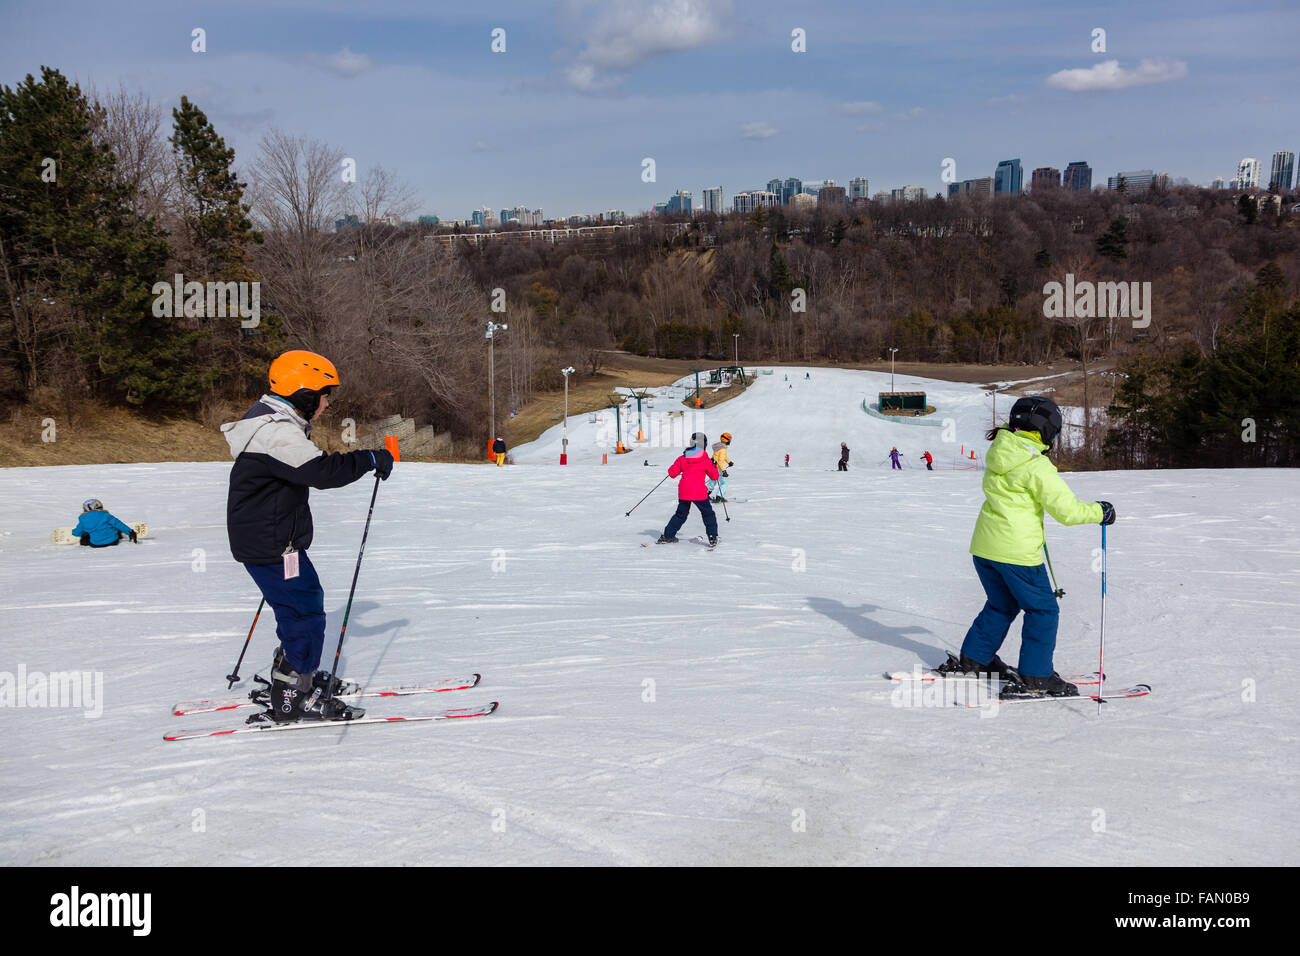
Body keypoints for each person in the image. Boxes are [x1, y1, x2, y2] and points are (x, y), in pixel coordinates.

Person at [222, 349, 394, 723]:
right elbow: (321, 472)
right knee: (304, 614)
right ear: (303, 393)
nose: (327, 403)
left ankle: (298, 677)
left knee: (301, 606)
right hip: (270, 542)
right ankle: (293, 696)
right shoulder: (276, 433)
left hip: (270, 538)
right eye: (324, 394)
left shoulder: (272, 423)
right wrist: (368, 459)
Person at [938, 396, 1115, 698]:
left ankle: (975, 660)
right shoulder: (1036, 465)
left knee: (1002, 605)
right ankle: (1036, 677)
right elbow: (1067, 512)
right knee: (1043, 610)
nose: (1055, 438)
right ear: (1045, 430)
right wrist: (1100, 511)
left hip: (985, 548)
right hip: (1016, 554)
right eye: (1055, 432)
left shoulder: (1000, 452)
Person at [657, 432, 720, 547]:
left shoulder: (683, 458)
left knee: (681, 514)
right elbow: (714, 477)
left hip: (684, 492)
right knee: (708, 514)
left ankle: (668, 535)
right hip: (699, 492)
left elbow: (672, 473)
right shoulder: (706, 460)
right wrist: (714, 465)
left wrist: (679, 465)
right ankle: (712, 537)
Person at [708, 432, 734, 502]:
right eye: (729, 439)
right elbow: (720, 461)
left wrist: (729, 462)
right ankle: (719, 496)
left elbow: (720, 457)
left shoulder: (719, 447)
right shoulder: (723, 449)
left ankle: (705, 494)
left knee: (713, 480)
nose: (730, 441)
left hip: (713, 466)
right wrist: (724, 471)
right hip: (719, 468)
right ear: (726, 440)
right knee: (724, 483)